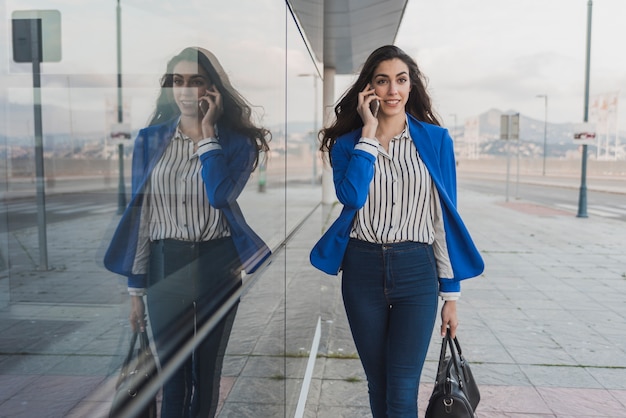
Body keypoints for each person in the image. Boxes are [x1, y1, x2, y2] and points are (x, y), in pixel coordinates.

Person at [310, 45, 484, 417]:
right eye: (382, 81)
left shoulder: (436, 141)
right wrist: (369, 134)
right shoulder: (347, 145)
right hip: (362, 269)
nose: (393, 90)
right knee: (379, 383)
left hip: (416, 270)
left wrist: (451, 295)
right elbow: (353, 196)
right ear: (368, 90)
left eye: (400, 80)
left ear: (411, 86)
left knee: (403, 389)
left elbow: (442, 219)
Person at [104, 46, 271, 417]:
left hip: (219, 264)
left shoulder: (236, 143)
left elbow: (221, 195)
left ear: (212, 90)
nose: (184, 90)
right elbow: (141, 217)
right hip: (167, 264)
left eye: (196, 82)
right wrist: (136, 289)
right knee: (173, 377)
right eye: (177, 81)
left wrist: (208, 134)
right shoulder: (150, 140)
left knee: (206, 374)